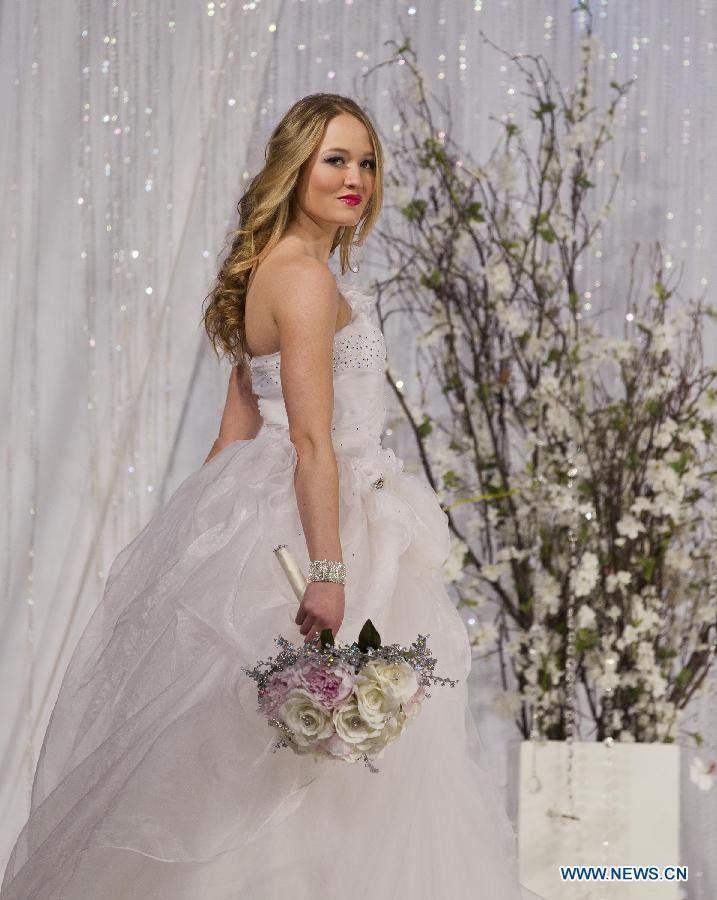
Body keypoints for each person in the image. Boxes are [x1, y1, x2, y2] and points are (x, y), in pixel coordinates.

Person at [1, 93, 544, 899]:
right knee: (328, 756)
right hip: (328, 523)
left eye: (364, 161)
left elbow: (233, 437)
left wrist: (190, 552)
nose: (354, 177)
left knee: (298, 741)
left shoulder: (270, 271)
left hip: (276, 518)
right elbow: (311, 440)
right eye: (334, 160)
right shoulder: (305, 281)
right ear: (294, 169)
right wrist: (328, 569)